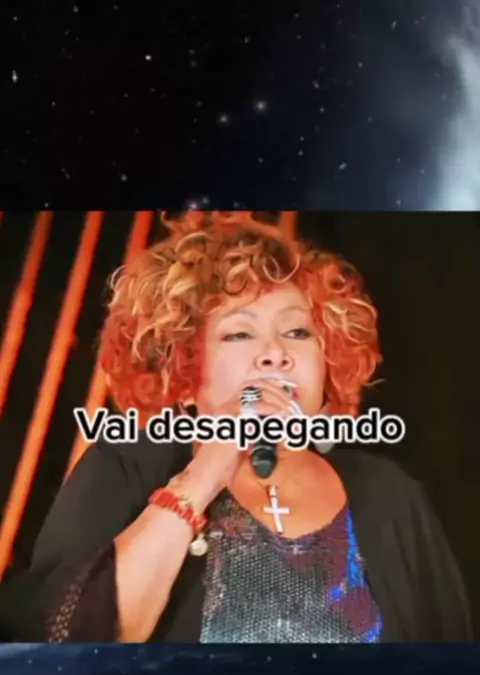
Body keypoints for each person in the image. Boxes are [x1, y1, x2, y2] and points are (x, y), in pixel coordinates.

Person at [2, 210, 472, 643]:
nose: (276, 353)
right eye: (240, 333)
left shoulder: (389, 494)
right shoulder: (124, 467)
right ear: (184, 370)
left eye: (297, 331)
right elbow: (63, 645)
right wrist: (205, 472)